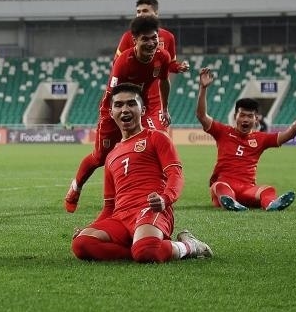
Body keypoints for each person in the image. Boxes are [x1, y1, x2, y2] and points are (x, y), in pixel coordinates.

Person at [71, 83, 213, 263]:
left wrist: (165, 199)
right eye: (119, 105)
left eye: (131, 103)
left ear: (143, 110)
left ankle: (189, 246)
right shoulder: (111, 156)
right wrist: (91, 228)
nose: (125, 109)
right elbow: (109, 207)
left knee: (147, 253)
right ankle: (139, 247)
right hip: (120, 218)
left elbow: (175, 174)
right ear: (111, 112)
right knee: (81, 244)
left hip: (151, 209)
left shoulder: (156, 138)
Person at [65, 15, 190, 212]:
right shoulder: (124, 62)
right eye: (145, 39)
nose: (151, 43)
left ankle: (149, 194)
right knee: (100, 158)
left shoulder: (162, 56)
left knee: (150, 145)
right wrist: (114, 116)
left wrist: (165, 109)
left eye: (154, 38)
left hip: (140, 108)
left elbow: (164, 81)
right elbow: (112, 95)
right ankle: (75, 187)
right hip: (113, 109)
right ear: (135, 41)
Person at [196, 68, 296, 211]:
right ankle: (231, 203)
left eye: (250, 116)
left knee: (268, 190)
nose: (245, 119)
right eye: (242, 115)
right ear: (235, 116)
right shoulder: (223, 132)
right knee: (219, 186)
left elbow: (289, 134)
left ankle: (271, 205)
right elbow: (201, 116)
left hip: (247, 189)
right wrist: (203, 88)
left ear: (256, 119)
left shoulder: (261, 138)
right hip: (225, 184)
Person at [114, 0, 178, 129]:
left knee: (159, 135)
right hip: (134, 96)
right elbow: (118, 66)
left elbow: (170, 67)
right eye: (138, 12)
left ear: (156, 13)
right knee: (137, 136)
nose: (141, 14)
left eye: (145, 11)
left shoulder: (168, 37)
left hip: (155, 99)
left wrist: (178, 67)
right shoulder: (128, 37)